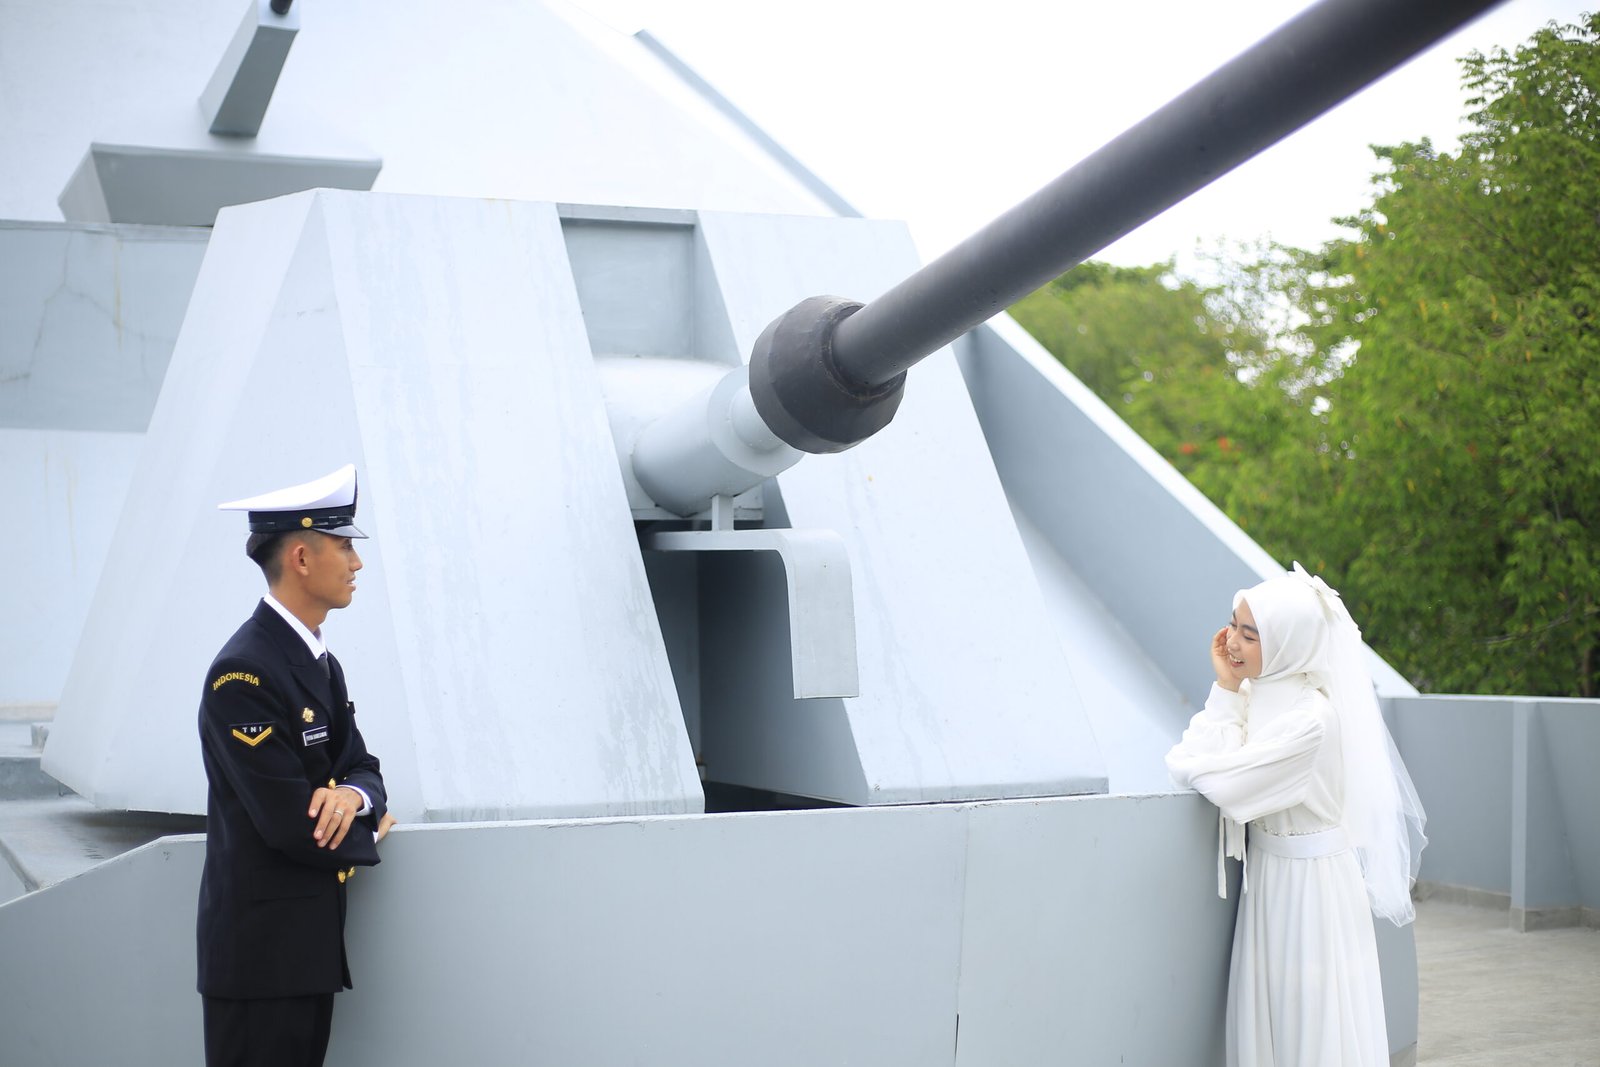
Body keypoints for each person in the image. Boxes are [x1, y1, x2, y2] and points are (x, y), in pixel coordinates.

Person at [1165, 563, 1426, 1067]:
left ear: (1290, 643)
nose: (1232, 642)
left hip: (1311, 886)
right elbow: (1204, 757)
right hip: (1270, 875)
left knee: (1311, 1013)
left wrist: (1199, 753)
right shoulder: (1254, 694)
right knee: (1274, 1011)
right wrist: (1226, 687)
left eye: (1250, 634)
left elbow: (1218, 780)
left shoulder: (1311, 721)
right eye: (1233, 625)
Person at [197, 463, 398, 1067]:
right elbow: (290, 824)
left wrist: (355, 798)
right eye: (345, 547)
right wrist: (370, 827)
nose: (358, 564)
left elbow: (361, 765)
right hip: (260, 961)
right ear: (303, 558)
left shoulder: (318, 662)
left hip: (305, 951)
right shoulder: (243, 673)